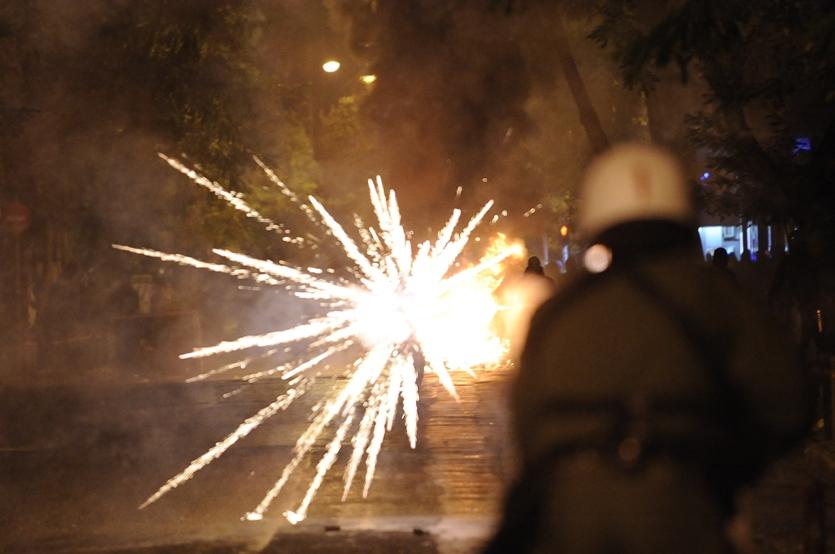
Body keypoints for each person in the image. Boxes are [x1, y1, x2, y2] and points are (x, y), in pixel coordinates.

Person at [485, 144, 809, 553]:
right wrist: (723, 466)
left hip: (571, 515)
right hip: (681, 511)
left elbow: (526, 422)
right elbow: (787, 404)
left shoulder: (561, 308)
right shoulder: (716, 298)